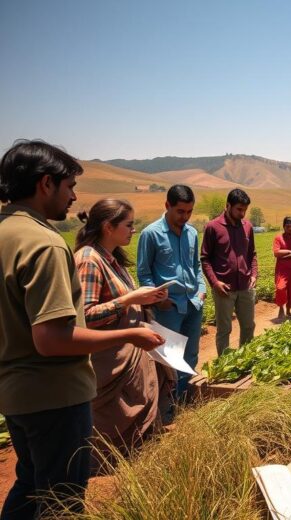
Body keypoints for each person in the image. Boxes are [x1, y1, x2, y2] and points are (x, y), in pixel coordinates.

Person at [0, 140, 163, 519]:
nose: (75, 197)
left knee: (30, 485)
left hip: (15, 392)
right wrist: (128, 334)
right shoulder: (43, 244)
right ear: (45, 184)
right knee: (63, 501)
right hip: (53, 394)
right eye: (70, 186)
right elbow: (52, 338)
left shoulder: (6, 233)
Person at [74, 199, 173, 461]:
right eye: (128, 225)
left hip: (129, 352)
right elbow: (84, 317)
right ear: (109, 226)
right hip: (110, 360)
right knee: (112, 431)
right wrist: (130, 300)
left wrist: (145, 298)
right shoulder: (89, 260)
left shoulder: (111, 258)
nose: (133, 230)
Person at [137, 185, 206, 402]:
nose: (185, 217)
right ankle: (166, 409)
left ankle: (183, 401)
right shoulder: (151, 234)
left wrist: (201, 291)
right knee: (167, 359)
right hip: (169, 308)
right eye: (180, 211)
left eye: (189, 212)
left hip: (193, 303)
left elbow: (197, 266)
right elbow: (144, 272)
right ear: (167, 206)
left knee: (191, 355)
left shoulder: (192, 233)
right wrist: (159, 300)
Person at [200, 189, 257, 355]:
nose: (242, 214)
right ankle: (225, 365)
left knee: (248, 326)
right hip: (224, 289)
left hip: (245, 286)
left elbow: (252, 254)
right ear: (228, 206)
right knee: (224, 329)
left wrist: (254, 274)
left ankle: (245, 359)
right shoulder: (213, 227)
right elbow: (205, 258)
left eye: (245, 210)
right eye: (239, 209)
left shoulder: (247, 227)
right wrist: (215, 282)